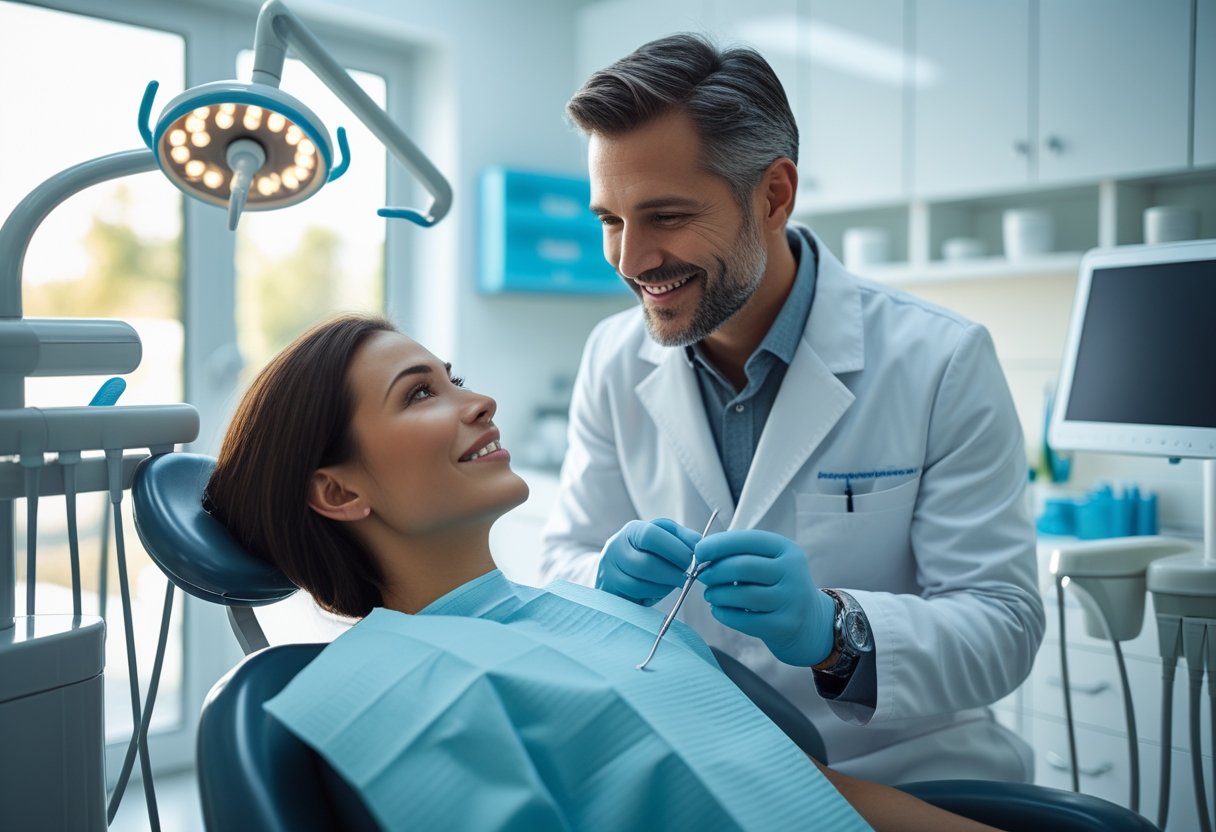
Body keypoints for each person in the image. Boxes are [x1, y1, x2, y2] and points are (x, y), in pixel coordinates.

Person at [205, 314, 1000, 831]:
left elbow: (813, 795)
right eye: (420, 395)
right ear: (339, 490)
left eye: (454, 375)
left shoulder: (595, 614)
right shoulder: (382, 687)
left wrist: (831, 631)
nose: (479, 402)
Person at [539, 33, 1045, 784]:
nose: (629, 259)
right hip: (700, 768)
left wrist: (834, 632)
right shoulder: (612, 359)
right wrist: (597, 585)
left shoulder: (941, 359)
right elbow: (562, 563)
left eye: (667, 216)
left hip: (902, 774)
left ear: (774, 195)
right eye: (610, 219)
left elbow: (1003, 627)